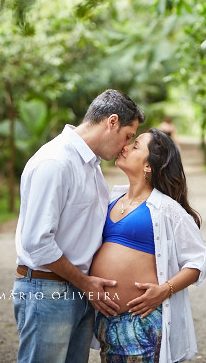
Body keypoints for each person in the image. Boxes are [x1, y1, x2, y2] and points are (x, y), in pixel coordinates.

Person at [13, 89, 145, 363]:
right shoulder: (56, 162)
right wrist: (84, 282)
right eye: (127, 136)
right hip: (48, 290)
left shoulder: (90, 165)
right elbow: (36, 242)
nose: (125, 146)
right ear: (111, 122)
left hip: (80, 291)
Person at [90, 128, 206, 363]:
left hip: (143, 321)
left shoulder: (167, 209)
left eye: (135, 146)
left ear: (149, 166)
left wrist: (165, 289)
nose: (125, 147)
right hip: (108, 322)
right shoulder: (109, 200)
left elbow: (200, 260)